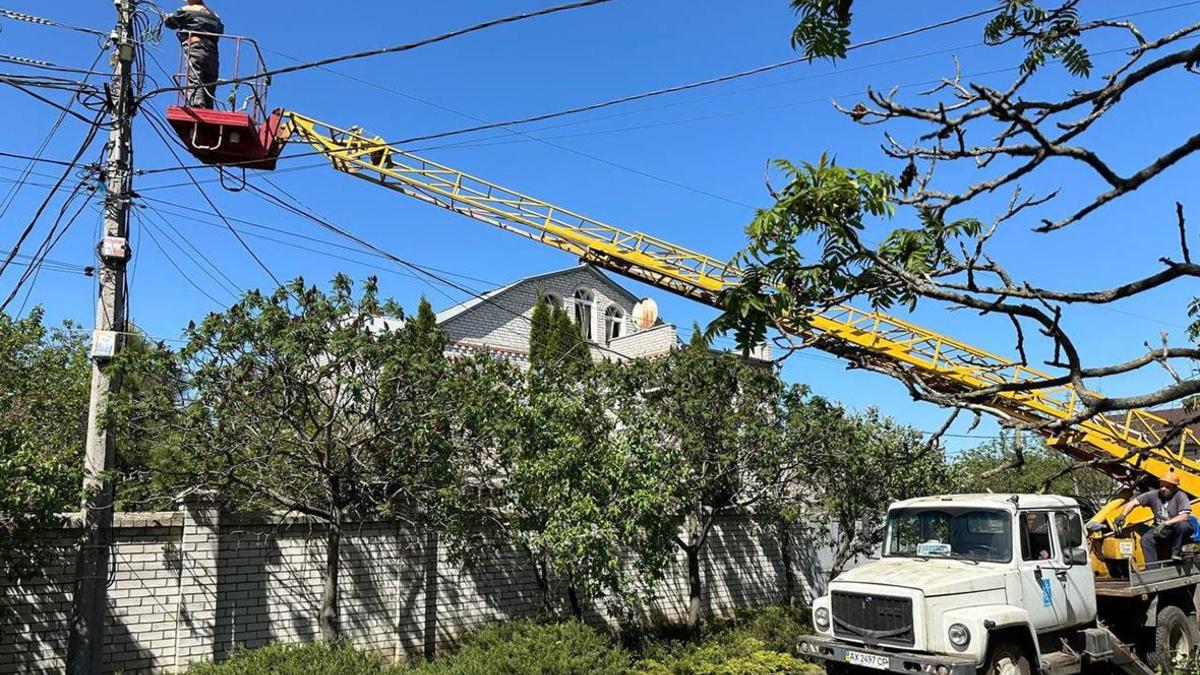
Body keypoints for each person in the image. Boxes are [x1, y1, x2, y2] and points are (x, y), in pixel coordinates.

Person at [1115, 472, 1193, 566]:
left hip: (1176, 527)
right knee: (1146, 539)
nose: (1163, 489)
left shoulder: (1180, 496)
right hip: (1161, 528)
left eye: (1167, 486)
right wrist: (1122, 515)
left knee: (1183, 526)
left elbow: (1184, 516)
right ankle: (1152, 569)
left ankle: (1176, 553)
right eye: (1162, 485)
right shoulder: (1153, 495)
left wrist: (1166, 523)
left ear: (1174, 487)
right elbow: (1133, 503)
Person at [164, 1, 224, 109]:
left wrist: (166, 17)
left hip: (196, 48)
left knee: (196, 78)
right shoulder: (216, 16)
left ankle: (198, 107)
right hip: (213, 53)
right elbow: (220, 30)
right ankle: (208, 110)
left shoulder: (186, 10)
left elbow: (170, 22)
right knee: (209, 82)